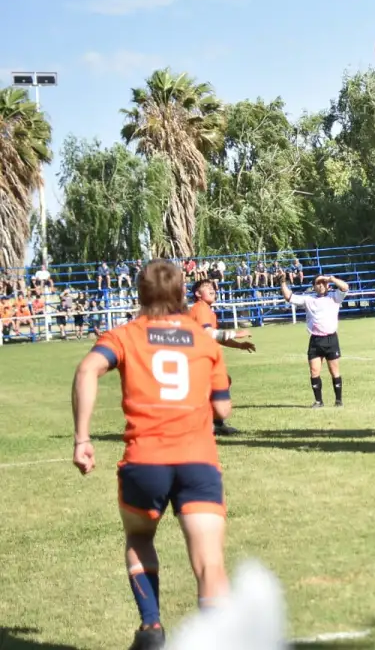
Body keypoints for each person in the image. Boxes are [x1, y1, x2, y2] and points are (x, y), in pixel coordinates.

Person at [71, 259, 233, 650]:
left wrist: (82, 438)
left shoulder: (125, 335)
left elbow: (87, 370)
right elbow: (223, 409)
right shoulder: (202, 338)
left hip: (145, 460)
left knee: (140, 536)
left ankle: (152, 627)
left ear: (140, 293)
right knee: (210, 562)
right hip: (197, 460)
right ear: (181, 293)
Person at [189, 280, 256, 437]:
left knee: (222, 382)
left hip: (202, 358)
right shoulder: (201, 309)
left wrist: (239, 345)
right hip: (197, 358)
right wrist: (237, 333)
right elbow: (208, 333)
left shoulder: (207, 310)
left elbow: (216, 337)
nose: (212, 289)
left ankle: (215, 424)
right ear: (198, 294)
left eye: (213, 287)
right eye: (207, 288)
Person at [280, 274, 349, 408]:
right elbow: (289, 297)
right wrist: (282, 282)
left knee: (334, 371)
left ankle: (338, 400)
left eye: (323, 283)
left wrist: (331, 279)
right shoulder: (308, 299)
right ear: (313, 286)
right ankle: (318, 401)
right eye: (318, 283)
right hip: (316, 340)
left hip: (331, 339)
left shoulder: (334, 297)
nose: (321, 285)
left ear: (327, 285)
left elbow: (345, 287)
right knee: (314, 371)